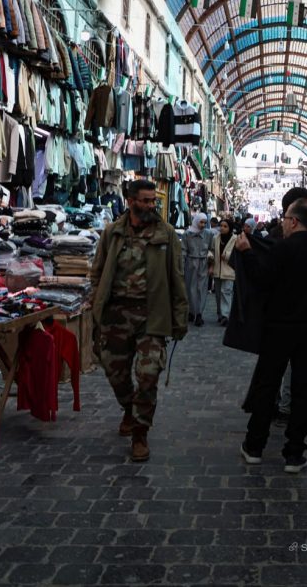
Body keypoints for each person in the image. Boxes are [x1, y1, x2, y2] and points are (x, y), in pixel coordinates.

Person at [88, 179, 189, 462]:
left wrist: (179, 319)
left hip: (151, 316)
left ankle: (140, 434)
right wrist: (96, 300)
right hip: (115, 315)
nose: (149, 206)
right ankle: (130, 410)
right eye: (144, 200)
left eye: (152, 201)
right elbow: (97, 271)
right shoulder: (112, 233)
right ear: (130, 200)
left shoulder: (166, 234)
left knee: (148, 375)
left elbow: (177, 279)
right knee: (114, 372)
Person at [235, 198, 307, 473]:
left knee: (267, 386)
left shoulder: (280, 250)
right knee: (302, 390)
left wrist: (246, 252)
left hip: (278, 328)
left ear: (293, 221)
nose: (282, 222)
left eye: (284, 219)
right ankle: (294, 454)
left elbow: (261, 280)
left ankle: (254, 446)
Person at [182, 212, 211, 327]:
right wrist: (181, 265)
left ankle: (199, 313)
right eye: (201, 222)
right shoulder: (187, 234)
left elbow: (211, 249)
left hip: (203, 263)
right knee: (190, 288)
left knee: (202, 289)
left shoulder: (209, 234)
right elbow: (183, 250)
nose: (203, 225)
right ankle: (191, 311)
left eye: (205, 222)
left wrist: (211, 263)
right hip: (190, 263)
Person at [213, 218, 238, 326]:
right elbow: (211, 250)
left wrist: (227, 255)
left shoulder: (235, 239)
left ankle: (225, 316)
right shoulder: (215, 238)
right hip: (217, 270)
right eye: (221, 226)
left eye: (225, 226)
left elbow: (237, 254)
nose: (222, 228)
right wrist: (210, 258)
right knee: (218, 294)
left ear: (230, 228)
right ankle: (220, 314)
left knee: (226, 293)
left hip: (229, 271)